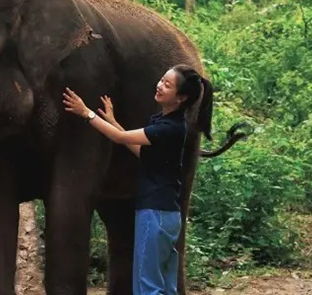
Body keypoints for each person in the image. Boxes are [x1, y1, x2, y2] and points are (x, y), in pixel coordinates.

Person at [62, 64, 208, 295]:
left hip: (154, 215)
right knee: (166, 286)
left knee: (147, 287)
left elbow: (120, 138)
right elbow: (140, 150)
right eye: (162, 80)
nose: (160, 86)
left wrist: (85, 112)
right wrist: (112, 120)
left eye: (167, 85)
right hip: (168, 215)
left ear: (180, 98)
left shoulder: (167, 128)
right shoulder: (170, 124)